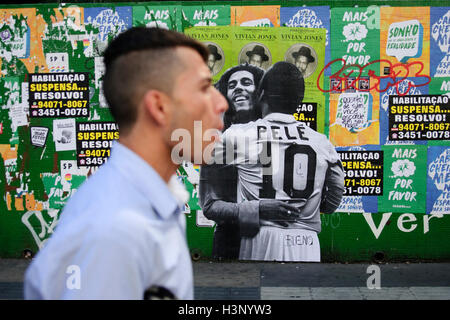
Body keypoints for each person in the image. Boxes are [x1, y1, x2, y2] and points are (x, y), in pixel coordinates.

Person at [23, 27, 227, 299]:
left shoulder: (162, 195)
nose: (221, 103)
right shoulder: (115, 230)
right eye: (204, 87)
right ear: (159, 107)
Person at [214, 61, 345, 262]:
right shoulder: (322, 142)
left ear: (262, 94)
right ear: (298, 100)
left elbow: (217, 190)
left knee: (258, 293)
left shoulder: (237, 135)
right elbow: (334, 198)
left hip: (259, 236)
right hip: (307, 241)